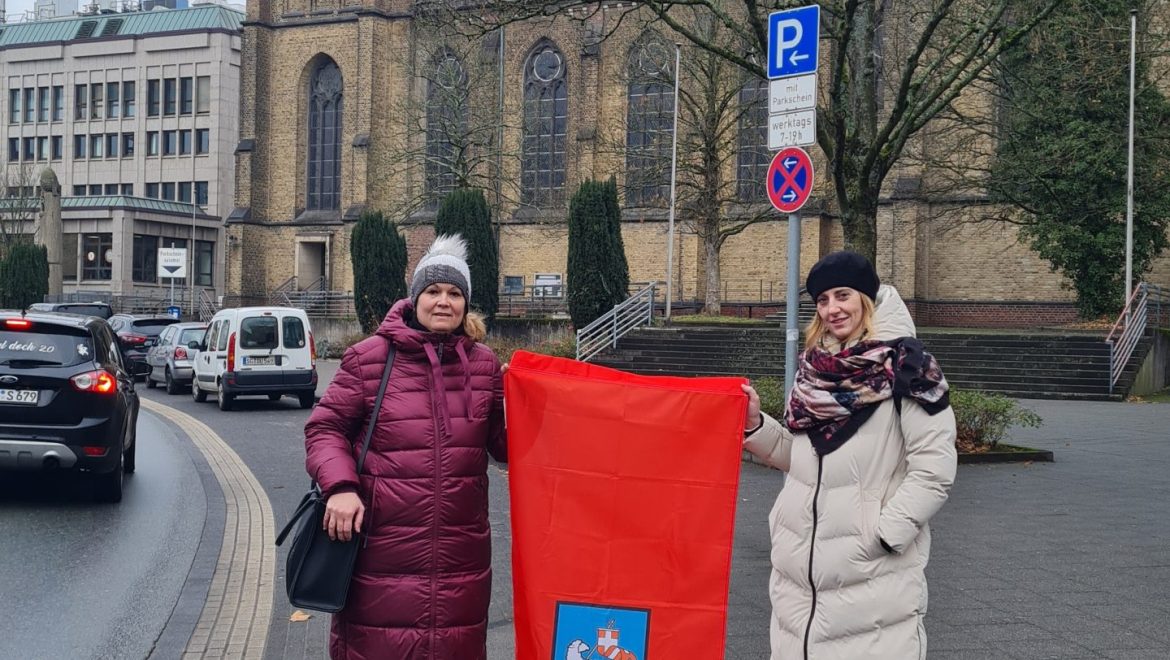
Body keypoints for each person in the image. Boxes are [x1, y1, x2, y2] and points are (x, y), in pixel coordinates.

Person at [741, 251, 957, 660]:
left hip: (868, 574)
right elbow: (802, 457)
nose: (832, 309)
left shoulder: (908, 367)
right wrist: (756, 425)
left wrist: (883, 535)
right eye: (822, 300)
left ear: (866, 299)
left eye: (843, 295)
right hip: (799, 570)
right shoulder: (815, 372)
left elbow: (934, 469)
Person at [304, 234, 507, 660]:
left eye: (454, 293)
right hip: (380, 554)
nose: (443, 302)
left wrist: (525, 397)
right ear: (414, 298)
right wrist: (340, 487)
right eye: (433, 291)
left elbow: (507, 448)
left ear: (466, 303)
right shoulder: (368, 358)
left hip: (460, 559)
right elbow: (325, 430)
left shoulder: (485, 366)